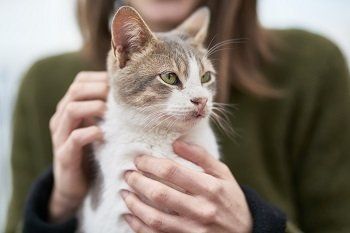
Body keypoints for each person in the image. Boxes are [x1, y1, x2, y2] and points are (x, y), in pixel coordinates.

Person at [5, 0, 350, 232]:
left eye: (205, 78)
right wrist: (61, 205)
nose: (200, 99)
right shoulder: (44, 85)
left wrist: (254, 225)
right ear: (123, 51)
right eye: (171, 78)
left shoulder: (312, 67)